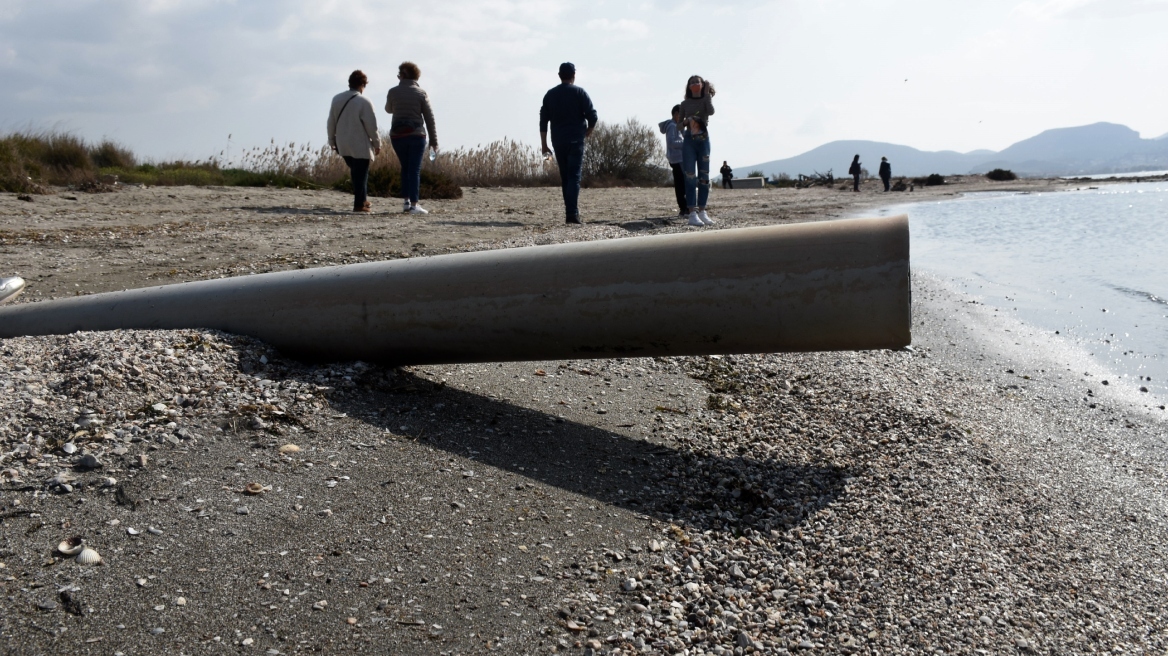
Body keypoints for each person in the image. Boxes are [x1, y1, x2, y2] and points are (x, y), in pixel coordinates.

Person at [540, 62, 598, 224]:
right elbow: (593, 116)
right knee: (574, 177)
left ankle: (570, 212)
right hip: (576, 140)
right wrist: (589, 130)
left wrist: (544, 145)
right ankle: (572, 214)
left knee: (565, 177)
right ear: (574, 75)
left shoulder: (550, 95)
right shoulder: (579, 92)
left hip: (558, 141)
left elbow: (543, 121)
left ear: (559, 76)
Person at [385, 61, 438, 215]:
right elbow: (429, 118)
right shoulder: (421, 93)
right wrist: (434, 141)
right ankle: (415, 205)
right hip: (416, 135)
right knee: (414, 169)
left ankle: (407, 202)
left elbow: (388, 109)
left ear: (402, 75)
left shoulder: (392, 92)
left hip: (397, 136)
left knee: (405, 168)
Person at [327, 70, 380, 213]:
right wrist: (377, 143)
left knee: (356, 173)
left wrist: (331, 139)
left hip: (342, 143)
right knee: (361, 174)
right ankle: (359, 205)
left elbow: (331, 121)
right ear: (363, 85)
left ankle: (363, 200)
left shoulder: (336, 99)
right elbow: (372, 126)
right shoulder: (364, 102)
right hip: (360, 144)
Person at [679, 74, 716, 226]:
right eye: (692, 82)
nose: (695, 84)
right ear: (688, 86)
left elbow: (711, 111)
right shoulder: (684, 104)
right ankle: (692, 212)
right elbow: (678, 126)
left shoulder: (706, 99)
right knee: (689, 175)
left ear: (702, 85)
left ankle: (702, 210)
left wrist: (707, 94)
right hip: (689, 139)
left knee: (704, 176)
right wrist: (685, 122)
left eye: (697, 82)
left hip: (703, 139)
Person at [658, 105, 686, 218]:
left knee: (682, 183)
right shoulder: (671, 126)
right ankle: (683, 208)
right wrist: (685, 144)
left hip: (679, 159)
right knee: (680, 184)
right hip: (676, 159)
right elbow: (671, 143)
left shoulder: (678, 126)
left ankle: (685, 207)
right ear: (676, 114)